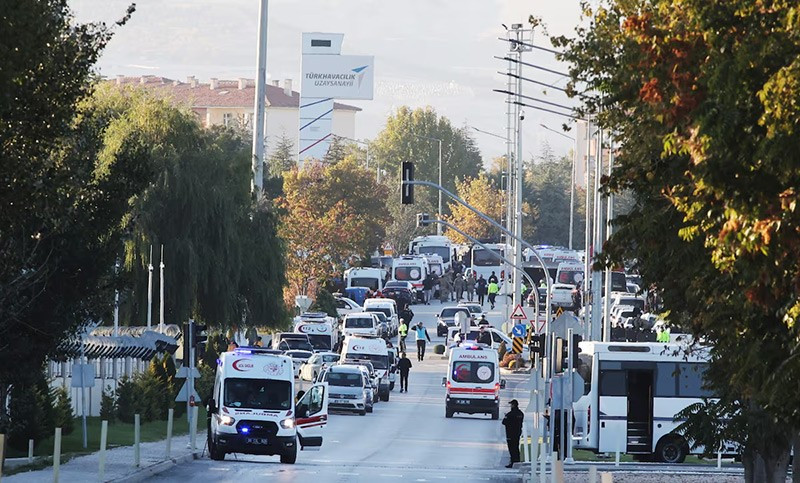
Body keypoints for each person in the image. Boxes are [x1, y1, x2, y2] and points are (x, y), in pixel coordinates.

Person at [502, 399, 524, 468]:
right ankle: (517, 461)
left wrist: (506, 417)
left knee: (511, 449)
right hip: (517, 433)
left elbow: (504, 422)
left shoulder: (510, 414)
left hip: (510, 434)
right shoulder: (520, 413)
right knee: (516, 447)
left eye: (511, 404)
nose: (510, 406)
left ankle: (513, 462)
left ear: (513, 405)